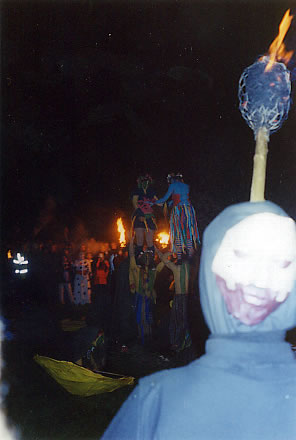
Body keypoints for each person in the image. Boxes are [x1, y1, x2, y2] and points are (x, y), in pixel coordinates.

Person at [101, 201, 296, 440]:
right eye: (241, 256)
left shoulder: (156, 401)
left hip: (181, 302)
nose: (259, 278)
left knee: (176, 328)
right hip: (178, 303)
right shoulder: (155, 401)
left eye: (282, 262)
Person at [155, 173, 200, 264]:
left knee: (178, 233)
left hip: (179, 211)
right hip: (188, 211)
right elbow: (181, 197)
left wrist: (154, 202)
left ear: (171, 180)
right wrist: (171, 202)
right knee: (188, 233)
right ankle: (190, 256)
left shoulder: (173, 185)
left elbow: (164, 198)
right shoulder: (186, 186)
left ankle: (179, 258)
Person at [129, 235, 164, 345]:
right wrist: (131, 242)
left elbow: (164, 262)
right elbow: (131, 256)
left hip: (149, 298)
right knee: (140, 319)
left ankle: (148, 340)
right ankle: (141, 339)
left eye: (149, 257)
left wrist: (158, 250)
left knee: (148, 319)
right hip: (140, 297)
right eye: (145, 257)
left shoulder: (153, 271)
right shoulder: (137, 270)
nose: (147, 259)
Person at [155, 246, 192, 352]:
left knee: (177, 321)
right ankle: (184, 343)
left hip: (179, 298)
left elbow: (163, 259)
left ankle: (177, 344)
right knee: (185, 320)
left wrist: (171, 251)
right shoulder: (190, 267)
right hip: (187, 298)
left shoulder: (176, 268)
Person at [131, 174, 157, 266]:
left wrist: (166, 203)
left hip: (149, 217)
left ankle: (151, 262)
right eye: (143, 181)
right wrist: (140, 214)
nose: (145, 183)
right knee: (140, 240)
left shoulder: (151, 191)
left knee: (150, 241)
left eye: (147, 181)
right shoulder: (137, 191)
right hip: (139, 217)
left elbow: (157, 201)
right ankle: (139, 262)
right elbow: (135, 203)